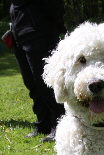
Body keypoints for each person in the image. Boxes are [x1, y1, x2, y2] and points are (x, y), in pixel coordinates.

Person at [10, 0, 66, 142]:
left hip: (41, 33)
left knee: (46, 84)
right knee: (32, 84)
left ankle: (58, 126)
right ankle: (43, 124)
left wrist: (58, 25)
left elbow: (55, 5)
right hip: (19, 35)